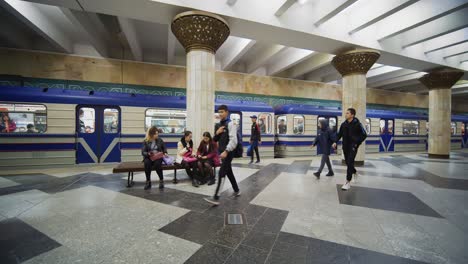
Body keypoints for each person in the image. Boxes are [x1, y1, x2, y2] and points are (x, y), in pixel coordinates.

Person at [204, 105, 241, 205]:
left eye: (222, 112)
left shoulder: (231, 124)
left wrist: (226, 151)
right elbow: (214, 140)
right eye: (218, 112)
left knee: (221, 173)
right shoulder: (218, 125)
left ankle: (216, 197)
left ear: (227, 112)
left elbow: (234, 140)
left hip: (228, 152)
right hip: (222, 152)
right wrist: (217, 133)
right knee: (228, 171)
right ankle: (237, 190)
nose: (220, 114)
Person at [332, 108, 367, 191]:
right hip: (345, 146)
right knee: (348, 162)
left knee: (350, 161)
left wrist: (356, 142)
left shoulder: (358, 124)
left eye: (347, 113)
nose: (346, 114)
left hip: (353, 146)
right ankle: (355, 172)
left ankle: (347, 182)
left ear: (352, 115)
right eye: (346, 113)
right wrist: (335, 142)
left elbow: (364, 135)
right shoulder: (343, 124)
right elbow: (339, 134)